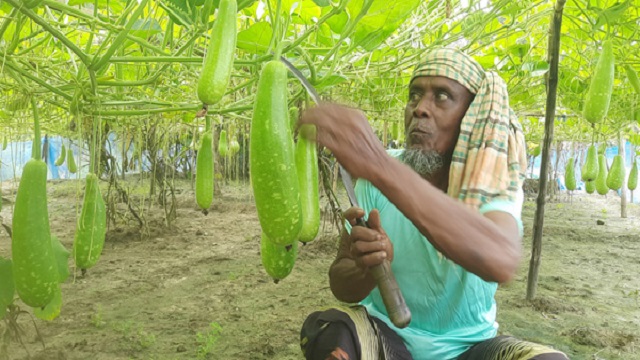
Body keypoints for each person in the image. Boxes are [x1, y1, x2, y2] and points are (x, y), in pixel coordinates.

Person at [297, 48, 569, 360]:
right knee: (328, 336)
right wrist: (363, 269)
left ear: (471, 118)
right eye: (414, 95)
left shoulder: (491, 182)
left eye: (441, 96)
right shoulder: (373, 179)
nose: (420, 109)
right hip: (387, 339)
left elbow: (500, 259)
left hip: (471, 348)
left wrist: (380, 166)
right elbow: (340, 284)